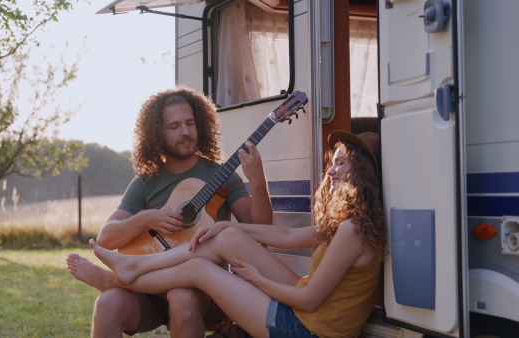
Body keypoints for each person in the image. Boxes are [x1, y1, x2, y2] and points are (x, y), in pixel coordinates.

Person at [69, 130, 387, 338]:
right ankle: (131, 269)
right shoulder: (353, 222)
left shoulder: (351, 229)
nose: (330, 171)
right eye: (332, 163)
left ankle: (123, 276)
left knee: (198, 267)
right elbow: (289, 237)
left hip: (306, 328)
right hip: (312, 316)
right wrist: (230, 225)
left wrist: (256, 279)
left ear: (361, 173)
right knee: (225, 238)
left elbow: (309, 299)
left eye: (341, 164)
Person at [67, 87, 273, 338]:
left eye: (190, 123)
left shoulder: (223, 176)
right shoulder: (145, 183)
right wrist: (146, 218)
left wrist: (258, 182)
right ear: (158, 134)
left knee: (181, 296)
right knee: (107, 304)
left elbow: (262, 232)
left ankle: (116, 278)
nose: (185, 132)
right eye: (174, 126)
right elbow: (106, 238)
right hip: (150, 295)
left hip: (201, 293)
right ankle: (121, 280)